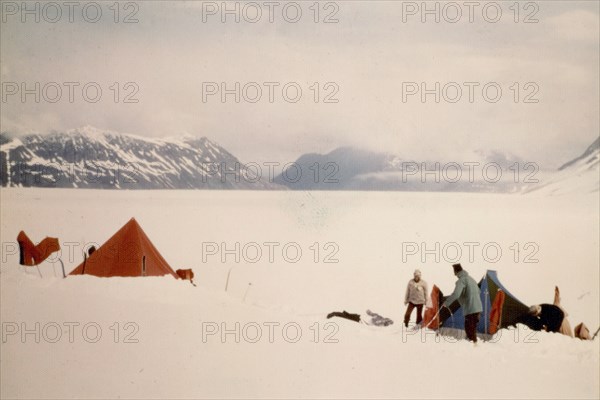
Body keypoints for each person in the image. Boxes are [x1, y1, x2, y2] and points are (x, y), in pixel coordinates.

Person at [441, 263, 483, 343]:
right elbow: (478, 291)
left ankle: (474, 348)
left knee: (469, 330)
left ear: (455, 272)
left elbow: (456, 294)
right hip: (478, 308)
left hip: (470, 309)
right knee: (472, 330)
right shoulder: (471, 279)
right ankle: (475, 346)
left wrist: (446, 303)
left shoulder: (461, 281)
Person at [327, 309, 393, 326]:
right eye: (388, 322)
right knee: (347, 315)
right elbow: (371, 314)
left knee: (347, 316)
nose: (387, 324)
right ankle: (334, 313)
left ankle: (335, 314)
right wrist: (369, 312)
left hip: (360, 320)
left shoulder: (380, 324)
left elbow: (375, 322)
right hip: (360, 317)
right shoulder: (379, 317)